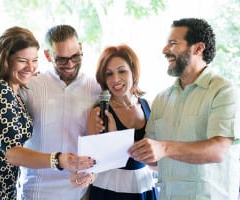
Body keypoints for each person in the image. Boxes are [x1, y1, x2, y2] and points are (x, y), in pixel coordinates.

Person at [0, 26, 95, 200]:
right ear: (6, 60)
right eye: (23, 60)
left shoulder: (16, 90)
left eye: (34, 60)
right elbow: (12, 152)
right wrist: (60, 159)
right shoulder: (1, 90)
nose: (30, 67)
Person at [128, 18, 240, 199]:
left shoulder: (223, 91)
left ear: (198, 48)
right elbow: (154, 159)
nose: (165, 50)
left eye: (173, 43)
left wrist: (164, 148)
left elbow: (218, 151)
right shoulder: (162, 98)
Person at [71, 44, 158, 199]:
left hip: (144, 186)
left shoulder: (149, 106)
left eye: (122, 71)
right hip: (110, 189)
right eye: (109, 74)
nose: (115, 79)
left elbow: (159, 156)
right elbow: (93, 165)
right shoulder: (99, 113)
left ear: (133, 72)